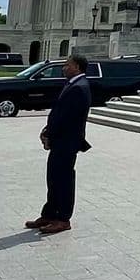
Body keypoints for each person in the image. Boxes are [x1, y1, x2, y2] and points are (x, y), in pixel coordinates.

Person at [26, 54, 92, 235]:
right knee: (53, 178)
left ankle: (63, 218)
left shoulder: (79, 87)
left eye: (67, 65)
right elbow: (58, 112)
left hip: (67, 142)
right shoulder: (72, 84)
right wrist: (48, 130)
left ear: (77, 67)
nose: (64, 68)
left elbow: (67, 118)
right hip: (60, 140)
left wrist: (49, 134)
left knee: (63, 180)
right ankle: (49, 214)